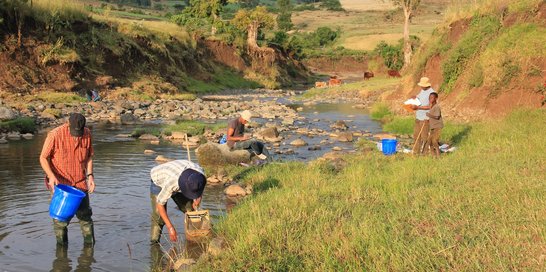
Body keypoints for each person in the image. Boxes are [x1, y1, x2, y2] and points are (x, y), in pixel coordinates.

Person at [40, 113, 95, 245]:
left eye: (79, 132)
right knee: (60, 222)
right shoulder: (55, 134)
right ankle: (61, 257)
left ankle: (89, 251)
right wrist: (51, 176)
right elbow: (43, 158)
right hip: (61, 185)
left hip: (80, 183)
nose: (77, 135)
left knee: (86, 218)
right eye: (75, 132)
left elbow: (89, 157)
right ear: (68, 124)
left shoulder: (87, 133)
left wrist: (90, 176)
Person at [150, 160, 207, 243]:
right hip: (158, 180)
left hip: (179, 174)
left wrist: (197, 198)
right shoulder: (172, 183)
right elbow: (160, 204)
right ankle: (154, 244)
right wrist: (170, 227)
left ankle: (196, 236)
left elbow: (200, 189)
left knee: (190, 209)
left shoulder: (200, 176)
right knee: (159, 218)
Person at [410, 77, 435, 154]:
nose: (421, 86)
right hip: (418, 118)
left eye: (422, 85)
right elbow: (418, 97)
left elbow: (430, 106)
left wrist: (418, 107)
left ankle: (426, 153)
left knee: (425, 137)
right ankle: (416, 152)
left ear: (427, 85)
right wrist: (414, 100)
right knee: (416, 136)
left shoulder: (432, 93)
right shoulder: (422, 90)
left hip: (425, 119)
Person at [426, 92, 443, 158]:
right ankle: (433, 156)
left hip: (437, 126)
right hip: (433, 127)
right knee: (429, 141)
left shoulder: (436, 107)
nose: (430, 99)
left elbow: (437, 117)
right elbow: (433, 117)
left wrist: (429, 115)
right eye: (429, 97)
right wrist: (428, 120)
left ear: (436, 98)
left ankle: (438, 156)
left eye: (432, 98)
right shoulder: (432, 107)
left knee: (434, 141)